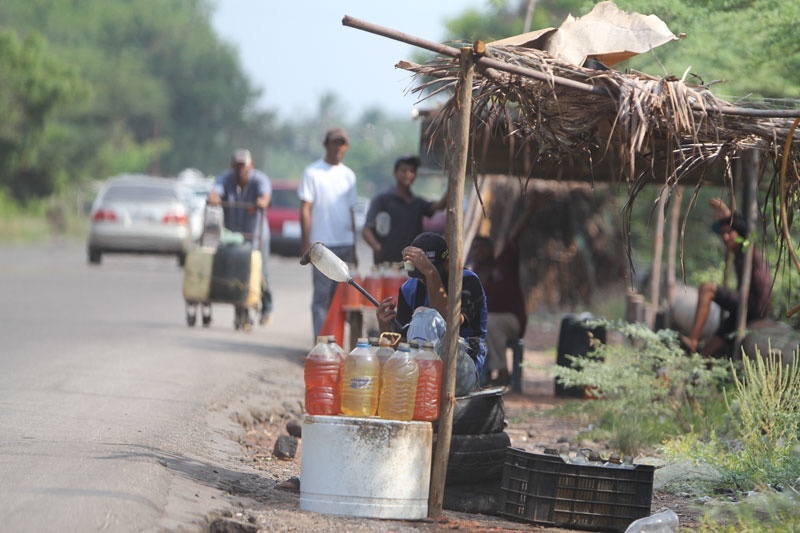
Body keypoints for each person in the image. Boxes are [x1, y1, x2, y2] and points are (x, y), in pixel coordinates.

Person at [376, 232, 487, 394]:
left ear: (447, 263)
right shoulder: (409, 288)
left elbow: (452, 323)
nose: (423, 282)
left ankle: (417, 388)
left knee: (425, 315)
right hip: (422, 373)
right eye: (421, 278)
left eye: (425, 276)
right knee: (376, 353)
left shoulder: (467, 281)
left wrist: (431, 274)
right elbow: (406, 347)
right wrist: (385, 329)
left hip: (462, 371)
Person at [468, 191, 543, 386]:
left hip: (511, 320)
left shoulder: (503, 263)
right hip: (488, 324)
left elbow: (514, 236)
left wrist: (530, 210)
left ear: (492, 250)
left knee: (489, 323)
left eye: (484, 248)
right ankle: (476, 375)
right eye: (476, 248)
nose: (479, 251)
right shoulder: (471, 275)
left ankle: (502, 371)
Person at [680, 200, 772, 357]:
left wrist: (728, 214)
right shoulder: (737, 255)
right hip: (742, 307)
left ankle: (693, 339)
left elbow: (746, 229)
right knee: (708, 350)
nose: (725, 237)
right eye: (723, 233)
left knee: (706, 288)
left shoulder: (747, 248)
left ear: (739, 233)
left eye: (729, 232)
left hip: (755, 306)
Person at [298, 127, 358, 339]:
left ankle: (336, 344)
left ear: (346, 147)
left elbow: (351, 212)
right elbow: (305, 209)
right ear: (326, 144)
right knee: (322, 299)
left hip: (345, 243)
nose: (339, 147)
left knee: (340, 300)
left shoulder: (349, 176)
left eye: (342, 143)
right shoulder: (312, 172)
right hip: (322, 245)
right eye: (335, 142)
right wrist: (306, 242)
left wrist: (355, 246)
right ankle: (320, 344)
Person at [208, 148, 273, 324]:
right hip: (234, 235)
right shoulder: (225, 179)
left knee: (260, 270)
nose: (240, 169)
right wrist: (213, 196)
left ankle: (267, 307)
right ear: (232, 166)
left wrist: (262, 201)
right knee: (235, 271)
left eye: (243, 165)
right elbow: (216, 190)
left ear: (251, 165)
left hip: (256, 234)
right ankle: (239, 307)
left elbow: (265, 195)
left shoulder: (259, 179)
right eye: (237, 166)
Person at [362, 156, 446, 265]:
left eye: (412, 171)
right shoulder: (382, 200)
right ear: (395, 172)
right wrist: (377, 247)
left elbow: (438, 206)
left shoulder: (417, 202)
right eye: (404, 170)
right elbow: (366, 230)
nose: (408, 174)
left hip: (411, 264)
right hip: (387, 264)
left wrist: (453, 185)